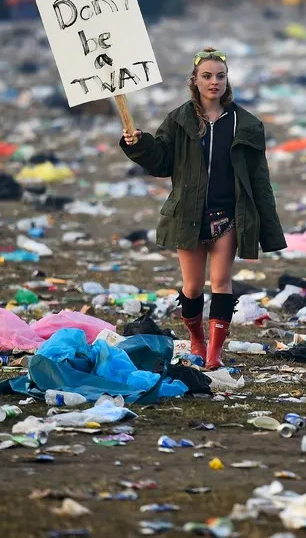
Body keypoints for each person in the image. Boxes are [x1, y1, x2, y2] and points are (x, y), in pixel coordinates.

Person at [120, 47, 287, 369]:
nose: (214, 82)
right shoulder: (179, 120)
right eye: (207, 76)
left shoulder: (245, 123)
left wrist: (268, 227)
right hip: (188, 215)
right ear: (194, 80)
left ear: (227, 80)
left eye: (220, 76)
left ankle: (214, 353)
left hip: (228, 217)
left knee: (222, 283)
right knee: (193, 287)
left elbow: (259, 179)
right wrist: (139, 144)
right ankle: (197, 339)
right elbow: (162, 162)